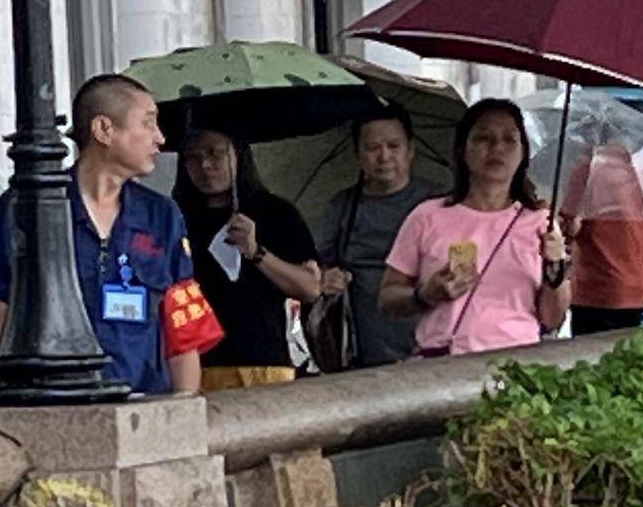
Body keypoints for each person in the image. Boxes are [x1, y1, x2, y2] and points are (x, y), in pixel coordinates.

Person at [0, 73, 194, 394]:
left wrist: (184, 409)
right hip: (53, 401)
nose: (160, 137)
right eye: (148, 124)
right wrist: (2, 398)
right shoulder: (28, 205)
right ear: (104, 129)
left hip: (143, 401)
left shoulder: (161, 215)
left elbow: (184, 328)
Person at [384, 96, 572, 355]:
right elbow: (388, 298)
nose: (497, 149)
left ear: (523, 152)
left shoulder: (541, 223)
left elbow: (552, 318)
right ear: (462, 150)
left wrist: (555, 267)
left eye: (510, 140)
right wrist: (425, 294)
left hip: (516, 364)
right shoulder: (427, 217)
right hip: (443, 365)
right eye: (484, 138)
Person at [173, 123, 320, 390]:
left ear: (238, 155)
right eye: (192, 157)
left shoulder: (275, 211)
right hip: (194, 364)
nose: (205, 165)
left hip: (263, 361)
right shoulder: (175, 217)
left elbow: (309, 288)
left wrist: (256, 252)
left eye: (215, 153)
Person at [315, 107, 432, 368]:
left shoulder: (437, 204)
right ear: (357, 154)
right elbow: (316, 267)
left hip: (428, 345)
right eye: (372, 148)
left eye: (394, 146)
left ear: (411, 150)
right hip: (361, 349)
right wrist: (326, 277)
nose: (384, 156)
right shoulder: (342, 207)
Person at [562, 120, 643, 332]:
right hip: (636, 286)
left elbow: (572, 227)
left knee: (589, 356)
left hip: (595, 286)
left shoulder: (587, 171)